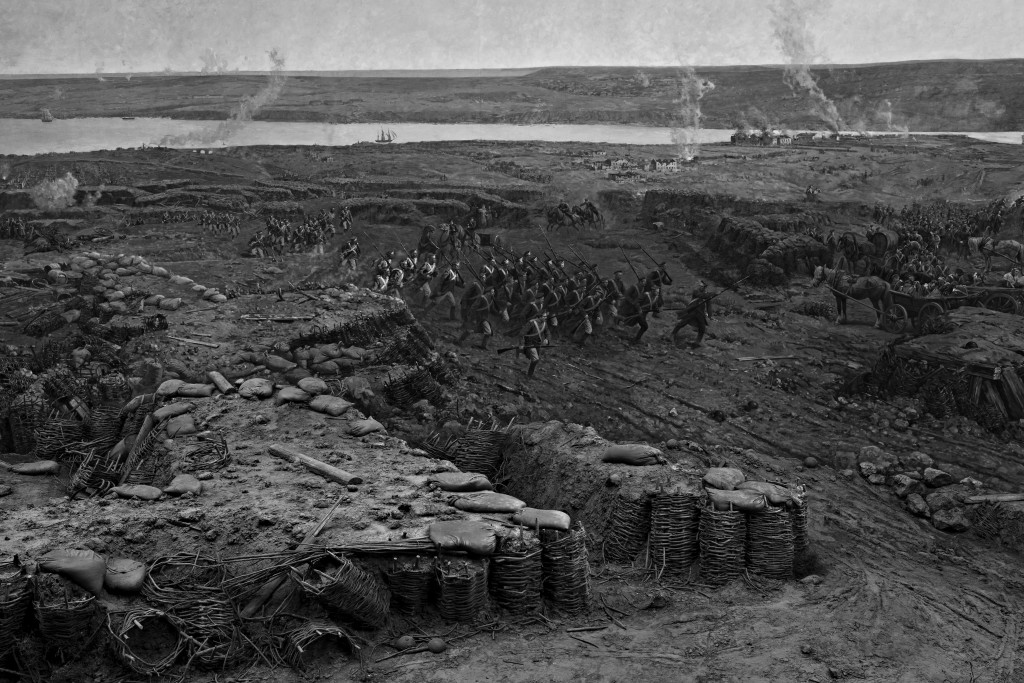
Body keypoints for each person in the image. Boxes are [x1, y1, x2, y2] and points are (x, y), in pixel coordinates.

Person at [519, 311, 550, 379]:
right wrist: (521, 344)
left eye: (546, 317)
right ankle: (529, 375)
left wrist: (547, 339)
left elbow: (547, 333)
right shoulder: (531, 323)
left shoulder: (545, 324)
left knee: (535, 360)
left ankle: (530, 374)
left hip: (538, 344)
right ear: (539, 316)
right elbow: (522, 333)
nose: (546, 318)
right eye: (544, 316)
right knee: (535, 359)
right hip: (529, 343)